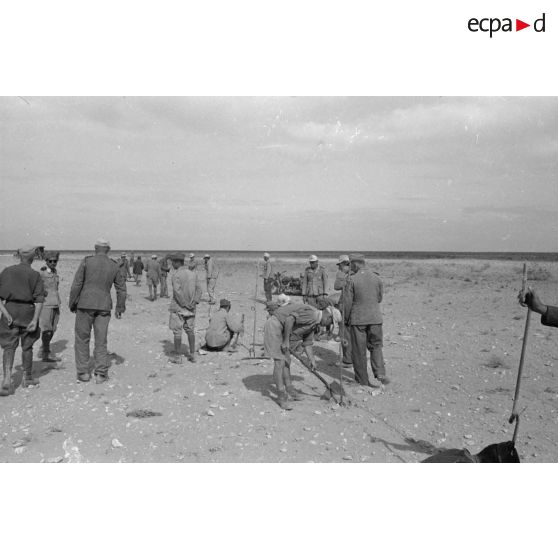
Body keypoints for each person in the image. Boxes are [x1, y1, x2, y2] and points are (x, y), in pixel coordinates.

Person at [69, 238, 126, 383]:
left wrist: (72, 302)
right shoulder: (114, 265)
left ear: (95, 248)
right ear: (108, 250)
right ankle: (100, 374)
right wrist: (120, 306)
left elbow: (77, 284)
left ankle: (83, 373)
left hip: (85, 304)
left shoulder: (87, 261)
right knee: (101, 341)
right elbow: (121, 288)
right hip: (104, 306)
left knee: (82, 339)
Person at [0, 245, 45, 395]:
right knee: (27, 346)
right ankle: (27, 378)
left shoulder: (7, 271)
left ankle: (7, 379)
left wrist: (6, 314)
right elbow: (39, 300)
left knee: (8, 347)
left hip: (10, 310)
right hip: (27, 312)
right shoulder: (35, 275)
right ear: (32, 258)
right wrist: (35, 319)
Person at [343, 253, 388, 388]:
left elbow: (347, 303)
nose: (350, 267)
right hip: (375, 318)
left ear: (355, 264)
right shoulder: (376, 278)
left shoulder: (351, 279)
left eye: (350, 264)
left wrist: (346, 319)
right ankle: (380, 372)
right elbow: (379, 298)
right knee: (376, 346)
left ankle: (362, 380)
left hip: (358, 320)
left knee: (359, 350)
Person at [168, 252, 202, 364]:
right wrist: (195, 301)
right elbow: (199, 290)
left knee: (177, 332)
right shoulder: (193, 274)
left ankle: (178, 357)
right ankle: (192, 354)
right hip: (191, 308)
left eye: (173, 262)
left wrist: (184, 304)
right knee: (190, 330)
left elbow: (177, 292)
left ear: (177, 262)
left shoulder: (176, 275)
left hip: (179, 307)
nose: (172, 264)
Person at [38, 250, 62, 363]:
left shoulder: (54, 272)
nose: (53, 263)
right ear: (46, 261)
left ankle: (43, 349)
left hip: (56, 303)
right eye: (50, 261)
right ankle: (45, 354)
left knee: (53, 328)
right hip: (46, 304)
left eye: (55, 261)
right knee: (47, 330)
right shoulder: (42, 273)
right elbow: (36, 287)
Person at [334, 254, 352, 367]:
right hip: (354, 308)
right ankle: (352, 358)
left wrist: (340, 275)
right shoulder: (355, 274)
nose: (339, 268)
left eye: (340, 265)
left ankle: (347, 360)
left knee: (345, 334)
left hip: (346, 308)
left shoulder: (345, 275)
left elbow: (336, 286)